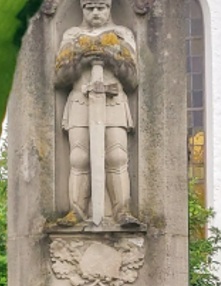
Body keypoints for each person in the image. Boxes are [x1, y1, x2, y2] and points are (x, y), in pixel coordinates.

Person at [54, 0, 139, 227]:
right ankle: (77, 212)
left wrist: (110, 55)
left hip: (113, 102)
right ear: (83, 9)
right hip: (81, 102)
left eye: (100, 7)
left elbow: (132, 78)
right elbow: (59, 77)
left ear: (109, 8)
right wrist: (82, 59)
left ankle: (122, 213)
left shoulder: (121, 34)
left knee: (117, 157)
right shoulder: (73, 35)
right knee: (79, 158)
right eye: (90, 8)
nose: (95, 13)